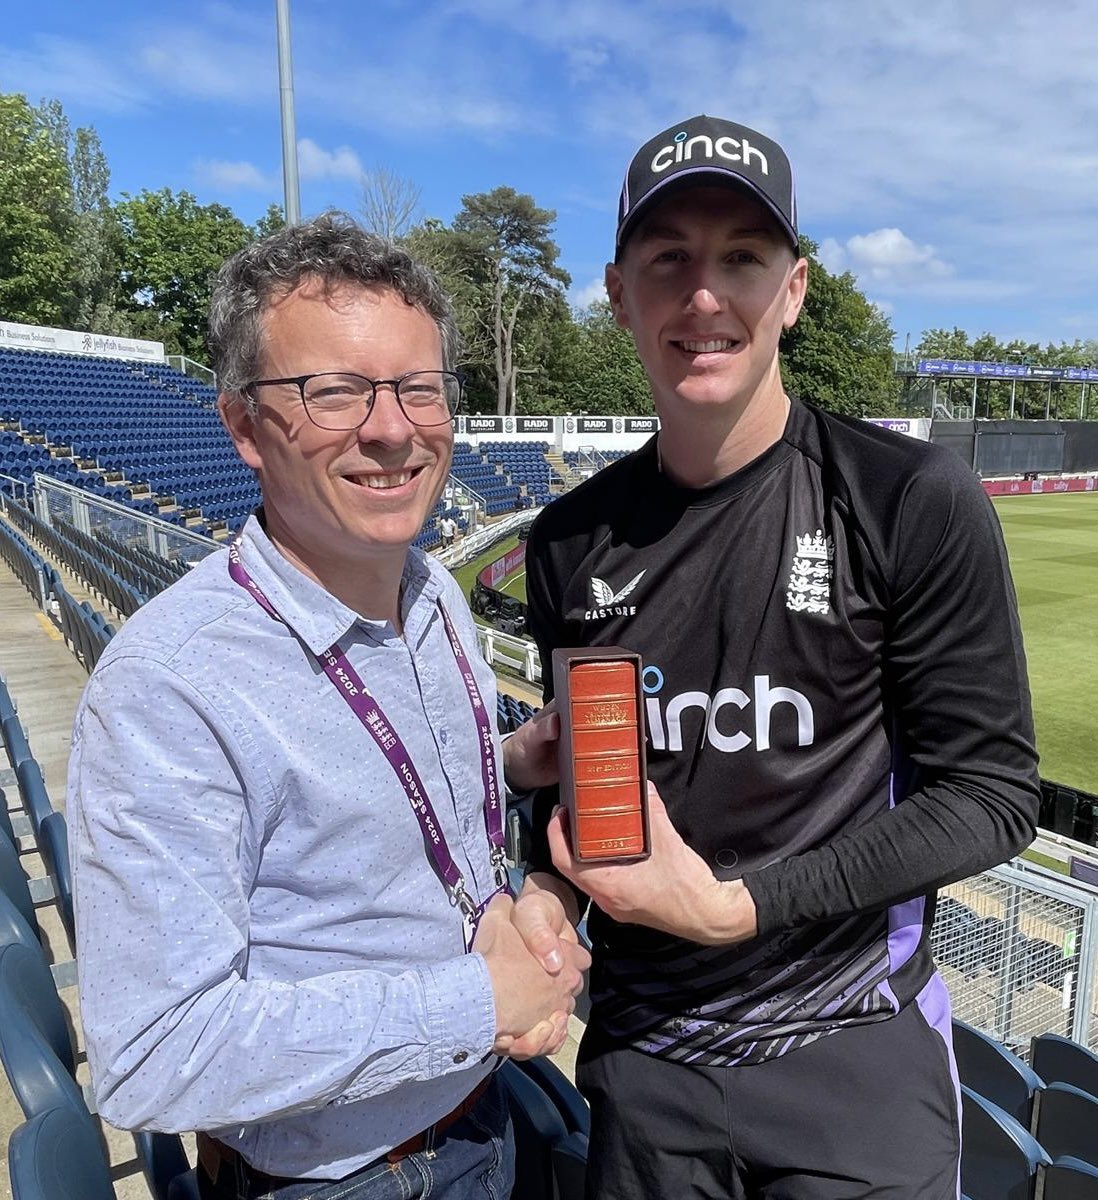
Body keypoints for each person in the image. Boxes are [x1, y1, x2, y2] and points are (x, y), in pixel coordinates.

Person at [519, 115, 1039, 1198]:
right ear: (619, 295)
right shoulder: (567, 541)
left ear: (792, 290)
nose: (705, 296)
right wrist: (547, 894)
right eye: (669, 259)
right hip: (645, 1067)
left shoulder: (906, 497)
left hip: (855, 1058)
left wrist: (734, 908)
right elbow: (595, 793)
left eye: (742, 259)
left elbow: (991, 795)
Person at [68, 213, 587, 1200]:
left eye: (417, 387)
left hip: (480, 1117)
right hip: (345, 1181)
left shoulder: (431, 590)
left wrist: (511, 757)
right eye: (333, 392)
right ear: (244, 425)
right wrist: (472, 1003)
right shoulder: (169, 688)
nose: (391, 429)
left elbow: (378, 793)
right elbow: (152, 1053)